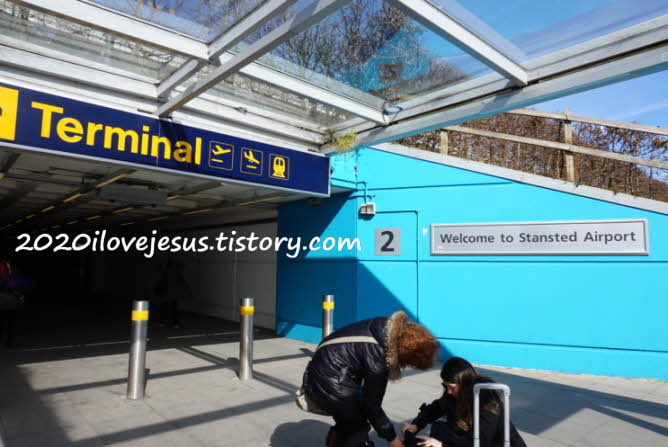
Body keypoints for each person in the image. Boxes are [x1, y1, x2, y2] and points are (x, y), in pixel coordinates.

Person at [301, 310, 440, 447]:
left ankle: (336, 440)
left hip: (328, 367)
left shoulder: (384, 330)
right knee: (357, 427)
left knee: (351, 418)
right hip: (328, 378)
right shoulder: (379, 357)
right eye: (411, 363)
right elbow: (372, 406)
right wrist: (392, 439)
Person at [402, 357, 527, 447]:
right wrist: (416, 424)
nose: (448, 391)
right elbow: (437, 407)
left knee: (439, 437)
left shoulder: (487, 403)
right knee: (438, 428)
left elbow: (479, 442)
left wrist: (441, 444)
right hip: (472, 440)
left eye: (451, 387)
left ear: (464, 383)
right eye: (445, 386)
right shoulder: (457, 393)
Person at [153, 259, 191, 328]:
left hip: (166, 293)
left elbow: (161, 281)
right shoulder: (176, 272)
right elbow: (181, 281)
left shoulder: (165, 272)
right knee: (174, 308)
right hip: (173, 293)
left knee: (164, 307)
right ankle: (175, 322)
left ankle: (163, 321)